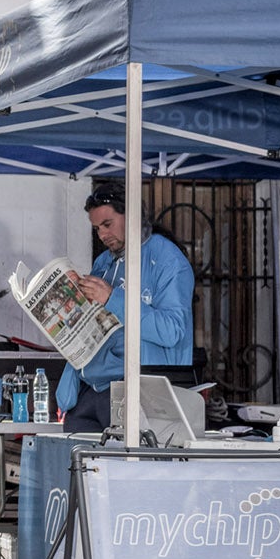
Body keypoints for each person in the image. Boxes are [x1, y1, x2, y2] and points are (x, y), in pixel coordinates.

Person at [53, 181, 195, 434]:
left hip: (139, 392)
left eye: (107, 225)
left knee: (121, 469)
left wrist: (113, 298)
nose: (102, 235)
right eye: (97, 229)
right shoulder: (104, 262)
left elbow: (172, 330)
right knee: (76, 467)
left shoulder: (168, 260)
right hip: (90, 391)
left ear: (131, 216)